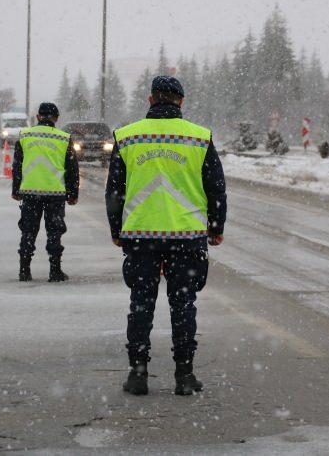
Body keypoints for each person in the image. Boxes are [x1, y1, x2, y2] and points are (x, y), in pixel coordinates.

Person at [105, 76, 227, 396]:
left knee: (141, 304)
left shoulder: (128, 137)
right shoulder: (200, 138)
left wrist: (116, 228)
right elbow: (216, 187)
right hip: (187, 237)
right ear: (181, 102)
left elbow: (115, 189)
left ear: (150, 100)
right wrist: (216, 227)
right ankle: (184, 375)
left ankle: (138, 374)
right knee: (183, 304)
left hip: (141, 235)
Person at [12, 102, 79, 282]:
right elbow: (72, 168)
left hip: (30, 192)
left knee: (28, 231)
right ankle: (55, 270)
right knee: (54, 232)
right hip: (55, 193)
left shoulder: (25, 136)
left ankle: (24, 270)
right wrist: (73, 193)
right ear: (56, 118)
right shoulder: (64, 138)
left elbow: (17, 165)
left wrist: (16, 189)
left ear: (38, 117)